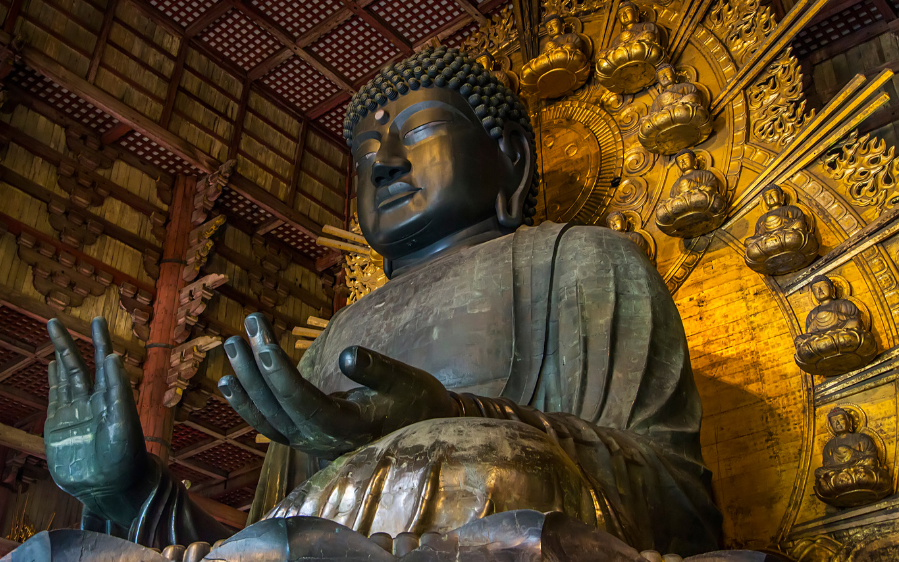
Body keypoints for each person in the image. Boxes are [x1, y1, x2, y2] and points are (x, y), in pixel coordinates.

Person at [42, 46, 721, 558]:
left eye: (419, 133)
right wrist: (129, 490)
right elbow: (274, 535)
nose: (386, 163)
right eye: (366, 156)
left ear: (511, 158)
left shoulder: (583, 259)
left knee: (489, 464)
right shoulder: (339, 332)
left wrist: (455, 416)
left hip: (513, 511)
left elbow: (680, 504)